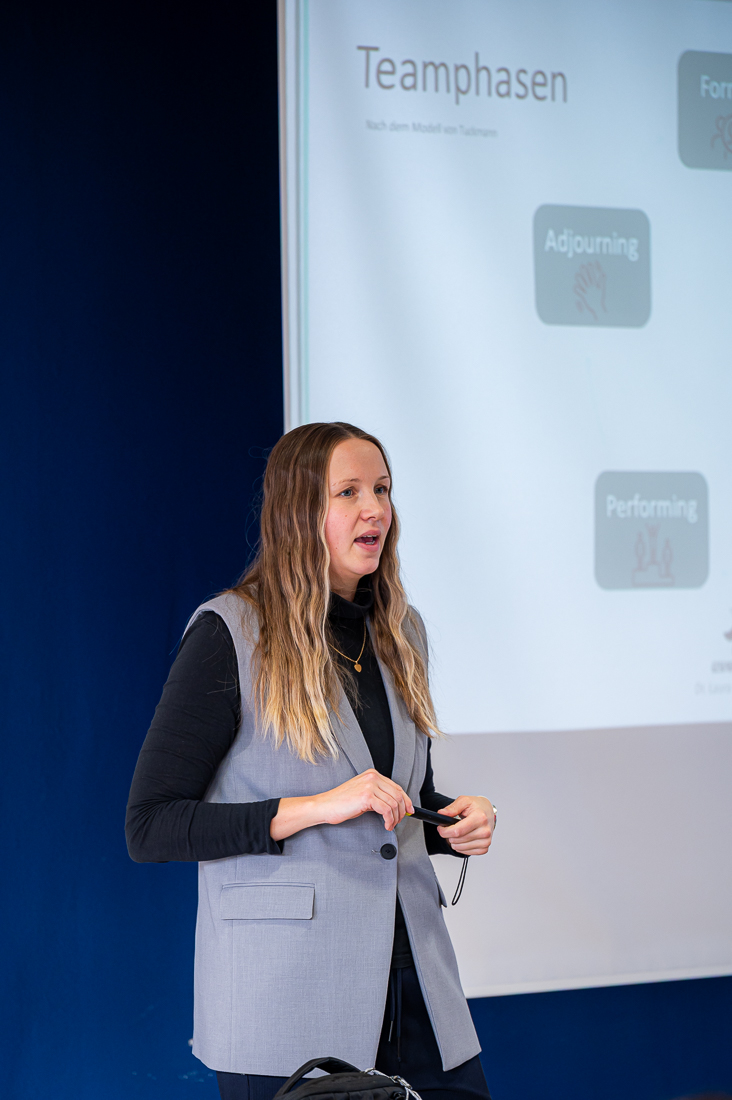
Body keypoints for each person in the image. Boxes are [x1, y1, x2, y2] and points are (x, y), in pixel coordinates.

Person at [126, 422, 496, 1100]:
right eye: (348, 492)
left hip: (416, 985)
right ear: (299, 510)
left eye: (382, 489)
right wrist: (318, 807)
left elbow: (403, 801)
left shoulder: (401, 632)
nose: (374, 509)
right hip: (286, 999)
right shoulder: (231, 632)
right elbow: (150, 826)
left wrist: (452, 822)